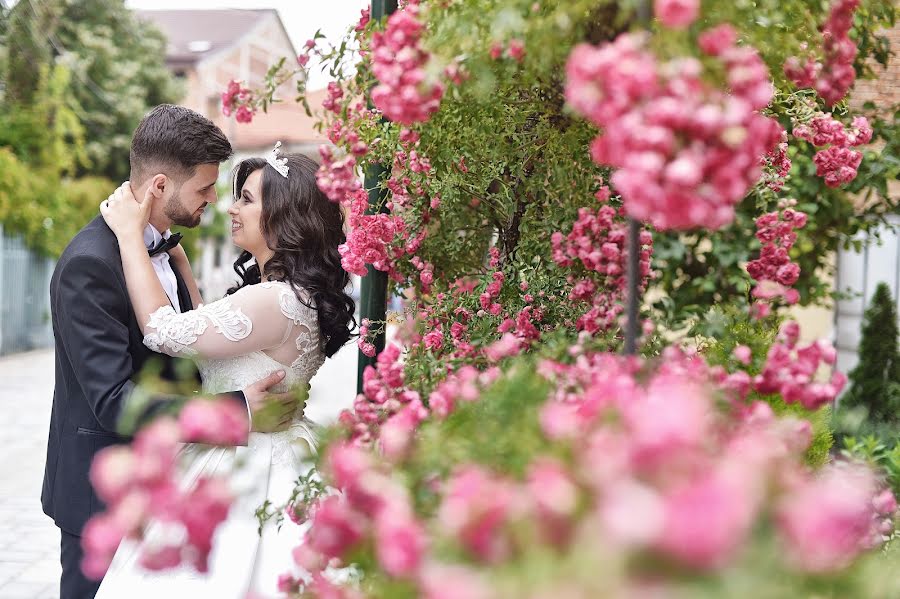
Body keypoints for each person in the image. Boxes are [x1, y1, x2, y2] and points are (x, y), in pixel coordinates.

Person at [41, 105, 301, 599]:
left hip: (175, 485)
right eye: (204, 188)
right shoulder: (90, 265)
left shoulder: (168, 254)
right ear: (160, 186)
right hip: (103, 497)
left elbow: (185, 355)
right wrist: (238, 410)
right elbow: (116, 400)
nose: (213, 201)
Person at [94, 142, 356, 597]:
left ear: (284, 215)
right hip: (278, 447)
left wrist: (129, 237)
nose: (230, 208)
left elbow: (164, 332)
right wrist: (180, 265)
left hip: (244, 460)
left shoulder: (273, 299)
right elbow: (216, 335)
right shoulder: (287, 293)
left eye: (247, 199)